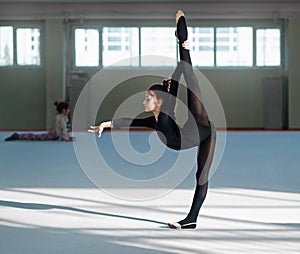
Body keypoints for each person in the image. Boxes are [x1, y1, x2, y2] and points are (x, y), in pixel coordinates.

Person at [89, 10, 216, 229]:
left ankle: (191, 219)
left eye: (148, 98)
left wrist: (181, 51)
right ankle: (192, 221)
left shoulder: (166, 111)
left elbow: (176, 85)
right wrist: (106, 124)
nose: (144, 100)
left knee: (201, 176)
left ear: (158, 101)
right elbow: (130, 122)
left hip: (204, 131)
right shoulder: (154, 121)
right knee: (187, 77)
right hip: (188, 132)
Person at [5, 101, 74, 142]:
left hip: (57, 133)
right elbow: (64, 129)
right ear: (63, 110)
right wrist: (67, 139)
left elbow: (65, 130)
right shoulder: (61, 118)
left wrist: (68, 137)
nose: (69, 110)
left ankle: (18, 136)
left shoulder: (64, 117)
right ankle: (18, 136)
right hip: (54, 134)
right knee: (36, 137)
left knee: (37, 136)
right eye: (68, 109)